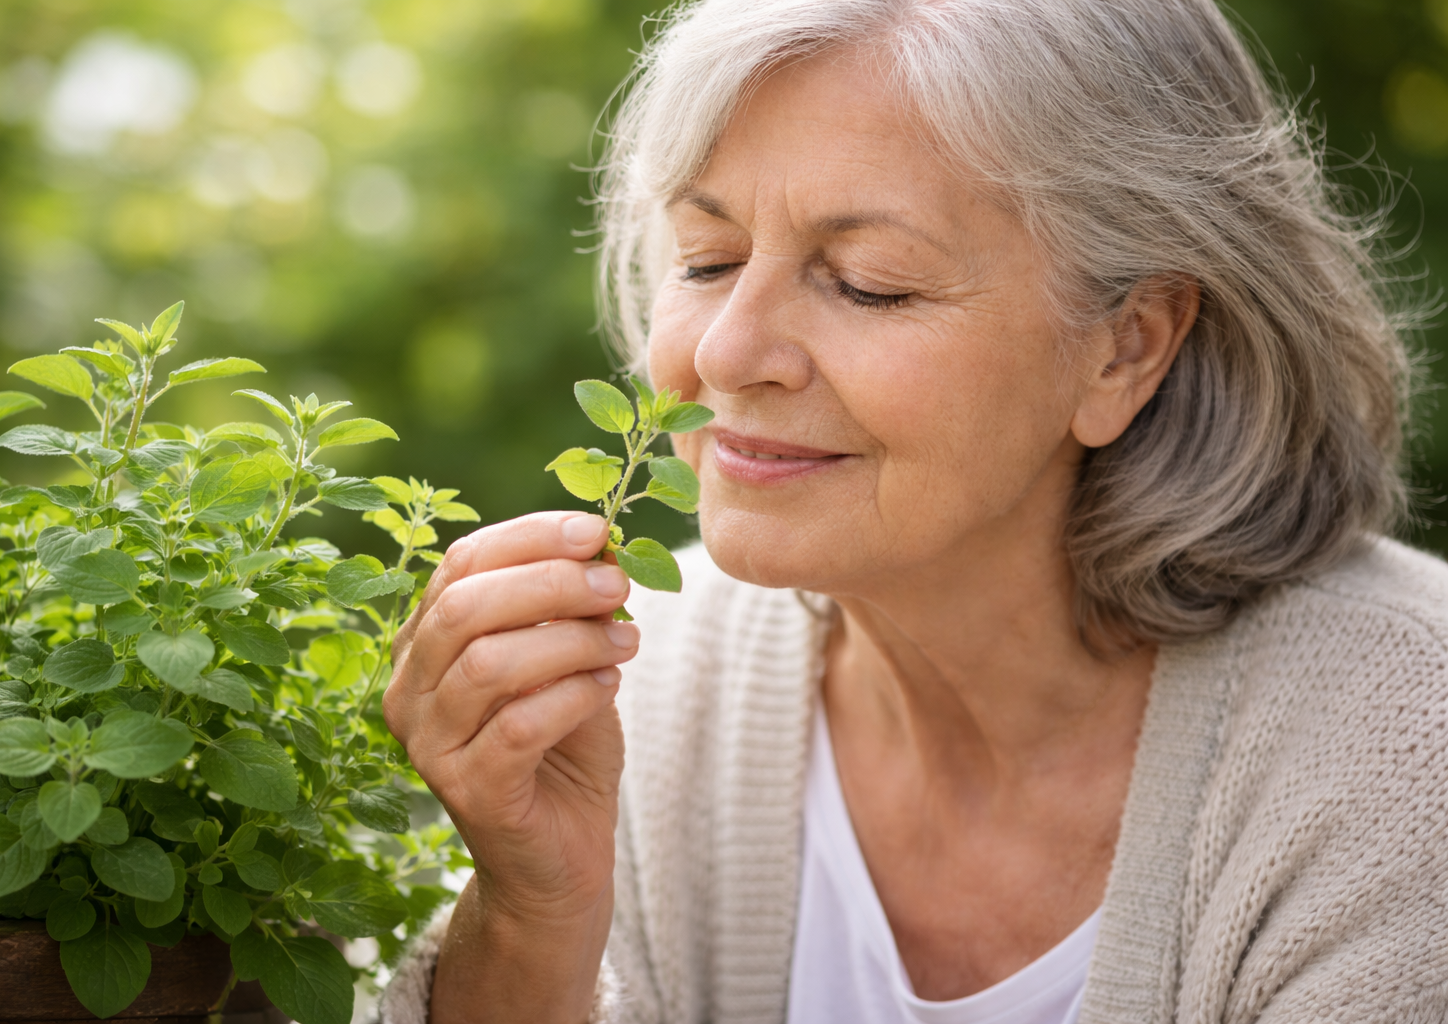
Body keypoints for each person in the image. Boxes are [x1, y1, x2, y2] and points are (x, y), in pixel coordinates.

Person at [380, 1, 1448, 1021]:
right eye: (708, 259)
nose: (724, 353)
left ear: (1128, 345)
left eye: (868, 282)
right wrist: (529, 924)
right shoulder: (626, 695)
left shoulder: (1408, 746)